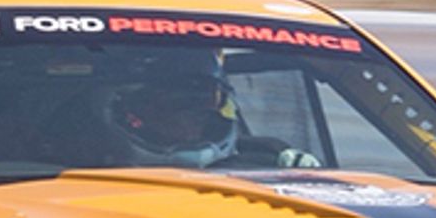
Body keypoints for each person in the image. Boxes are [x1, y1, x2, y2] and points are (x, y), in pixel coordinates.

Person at [99, 46, 321, 171]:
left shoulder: (272, 161)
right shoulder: (91, 169)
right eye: (178, 99)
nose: (198, 111)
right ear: (134, 108)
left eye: (206, 97)